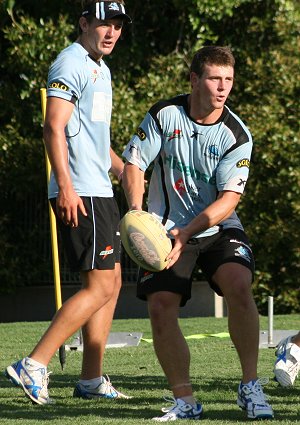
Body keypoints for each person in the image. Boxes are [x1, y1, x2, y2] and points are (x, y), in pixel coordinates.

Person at [122, 46, 274, 421]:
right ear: (193, 79)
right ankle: (186, 401)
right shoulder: (164, 114)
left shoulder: (236, 134)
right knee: (160, 307)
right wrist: (138, 214)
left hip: (215, 227)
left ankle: (250, 387)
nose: (222, 88)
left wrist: (187, 233)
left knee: (239, 284)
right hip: (165, 230)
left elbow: (229, 199)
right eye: (213, 79)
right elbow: (133, 163)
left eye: (228, 80)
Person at [5, 0, 131, 404]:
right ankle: (35, 364)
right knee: (97, 286)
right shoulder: (70, 62)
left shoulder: (101, 68)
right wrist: (65, 185)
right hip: (81, 190)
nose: (110, 31)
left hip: (100, 188)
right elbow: (52, 126)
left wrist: (126, 171)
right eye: (102, 23)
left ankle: (90, 379)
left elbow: (96, 139)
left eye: (117, 25)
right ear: (83, 23)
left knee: (110, 284)